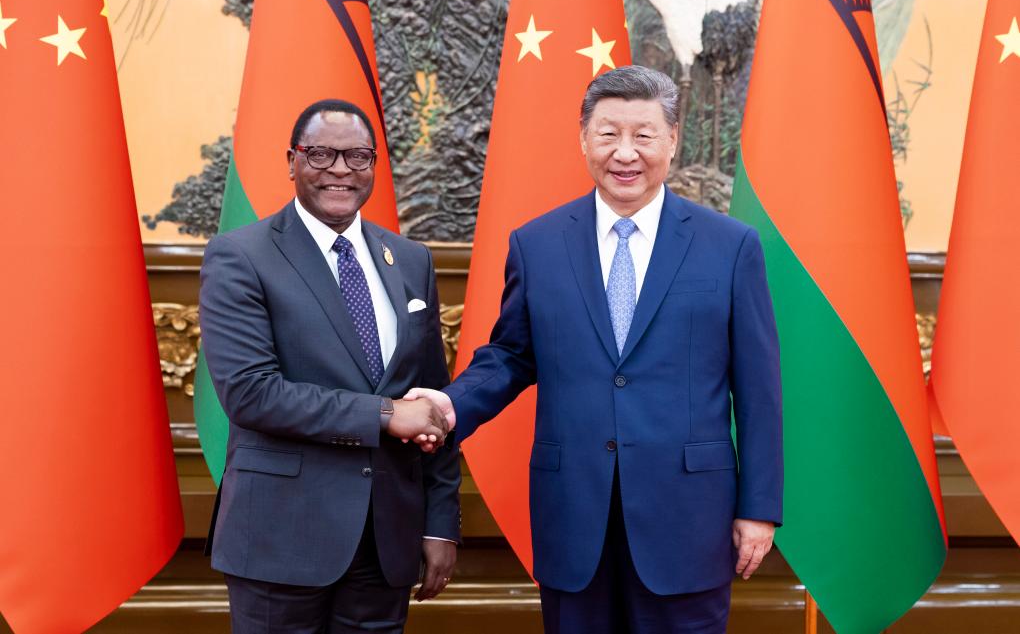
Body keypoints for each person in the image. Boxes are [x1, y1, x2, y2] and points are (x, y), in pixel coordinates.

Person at [407, 65, 783, 634]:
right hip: (574, 516)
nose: (625, 153)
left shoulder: (729, 247)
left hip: (688, 518)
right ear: (584, 139)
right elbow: (511, 355)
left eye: (643, 135)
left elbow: (758, 389)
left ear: (672, 141)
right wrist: (450, 405)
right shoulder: (537, 245)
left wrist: (758, 508)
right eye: (609, 134)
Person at [199, 99, 460, 634]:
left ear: (374, 165)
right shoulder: (240, 256)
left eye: (358, 156)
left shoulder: (411, 260)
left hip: (386, 542)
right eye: (321, 154)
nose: (340, 169)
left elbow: (434, 398)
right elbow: (251, 393)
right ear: (291, 160)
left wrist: (440, 525)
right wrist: (385, 414)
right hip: (280, 540)